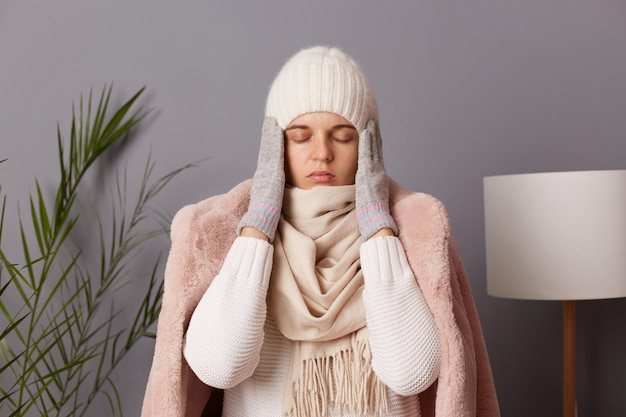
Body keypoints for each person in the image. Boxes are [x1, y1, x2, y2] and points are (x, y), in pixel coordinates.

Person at [141, 46, 500, 417]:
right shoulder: (224, 235)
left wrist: (376, 223)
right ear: (274, 147)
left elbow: (410, 372)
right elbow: (219, 365)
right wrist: (260, 222)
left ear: (368, 146)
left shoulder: (415, 234)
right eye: (300, 136)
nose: (322, 153)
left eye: (343, 136)